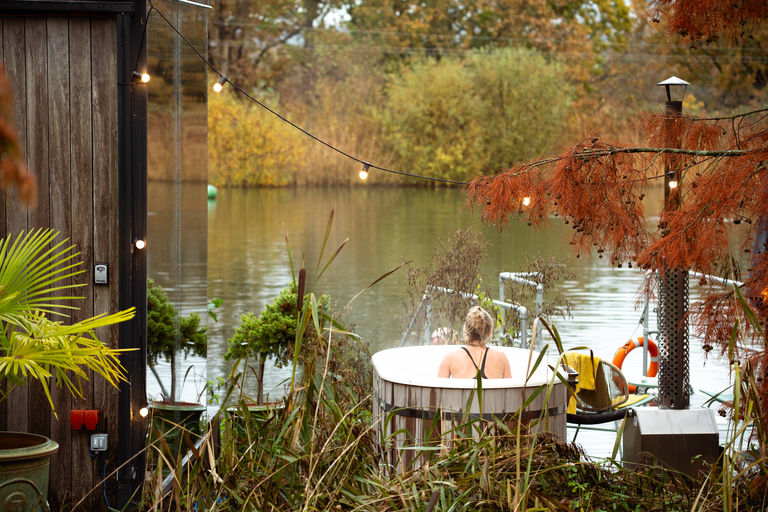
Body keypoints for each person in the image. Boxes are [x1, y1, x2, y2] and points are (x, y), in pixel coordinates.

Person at [437, 306, 512, 379]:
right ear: (489, 333)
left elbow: (438, 389)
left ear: (465, 330)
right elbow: (510, 390)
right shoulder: (502, 358)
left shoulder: (450, 358)